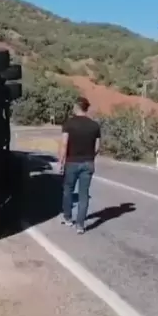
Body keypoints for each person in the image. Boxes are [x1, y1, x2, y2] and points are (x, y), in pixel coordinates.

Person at [58, 97, 101, 234]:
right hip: (88, 163)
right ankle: (80, 225)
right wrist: (90, 157)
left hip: (72, 162)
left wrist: (61, 161)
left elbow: (64, 144)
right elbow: (97, 147)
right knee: (84, 194)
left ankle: (68, 218)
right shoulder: (95, 125)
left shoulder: (69, 124)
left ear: (76, 107)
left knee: (68, 190)